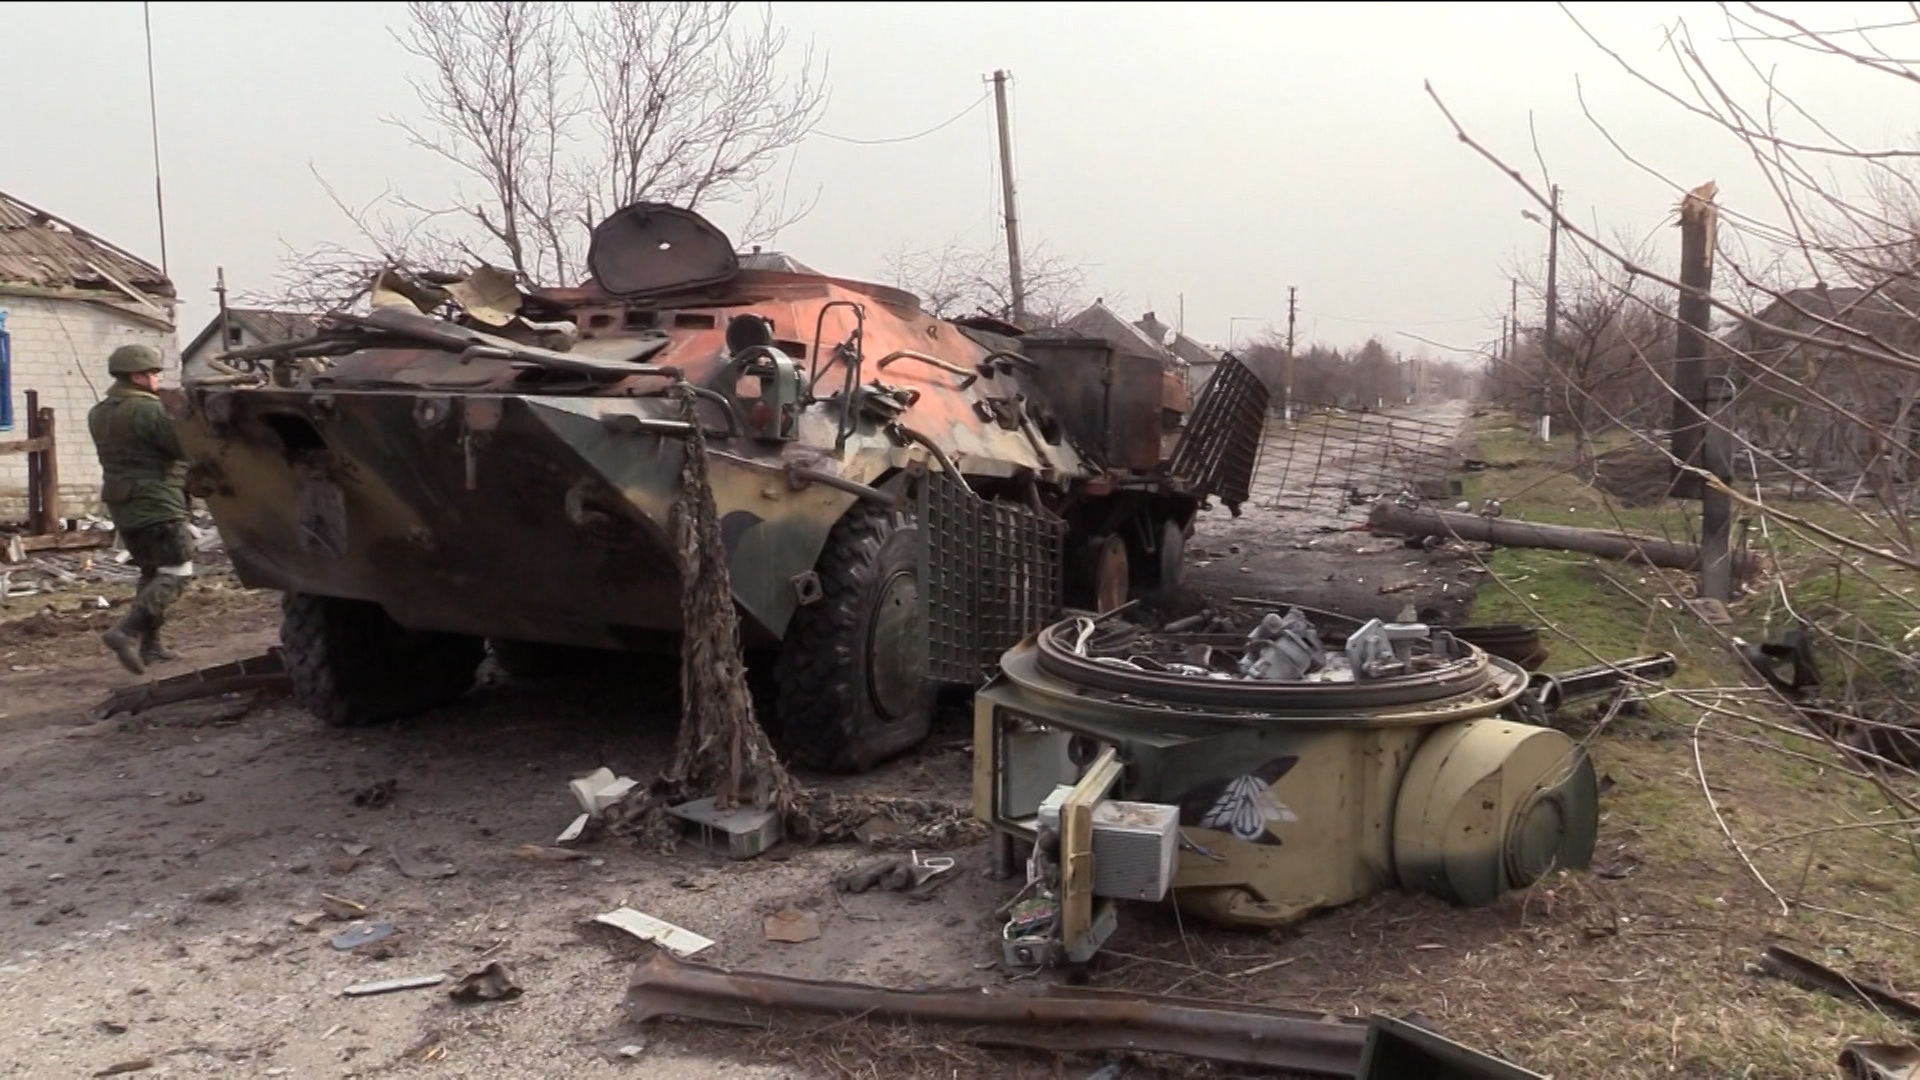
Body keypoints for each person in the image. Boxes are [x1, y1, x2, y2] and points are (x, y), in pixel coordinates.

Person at [88, 343, 192, 675]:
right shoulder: (147, 410)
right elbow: (182, 447)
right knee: (178, 571)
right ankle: (125, 631)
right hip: (157, 502)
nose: (157, 379)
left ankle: (152, 646)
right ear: (136, 376)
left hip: (123, 503)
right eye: (153, 373)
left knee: (151, 572)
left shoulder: (99, 412)